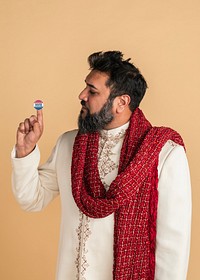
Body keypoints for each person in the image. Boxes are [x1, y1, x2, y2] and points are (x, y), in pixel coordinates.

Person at [11, 51, 192, 280]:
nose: (82, 95)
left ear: (121, 102)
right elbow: (32, 199)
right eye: (85, 87)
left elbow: (172, 247)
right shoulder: (69, 144)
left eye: (92, 91)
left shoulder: (163, 154)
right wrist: (25, 152)